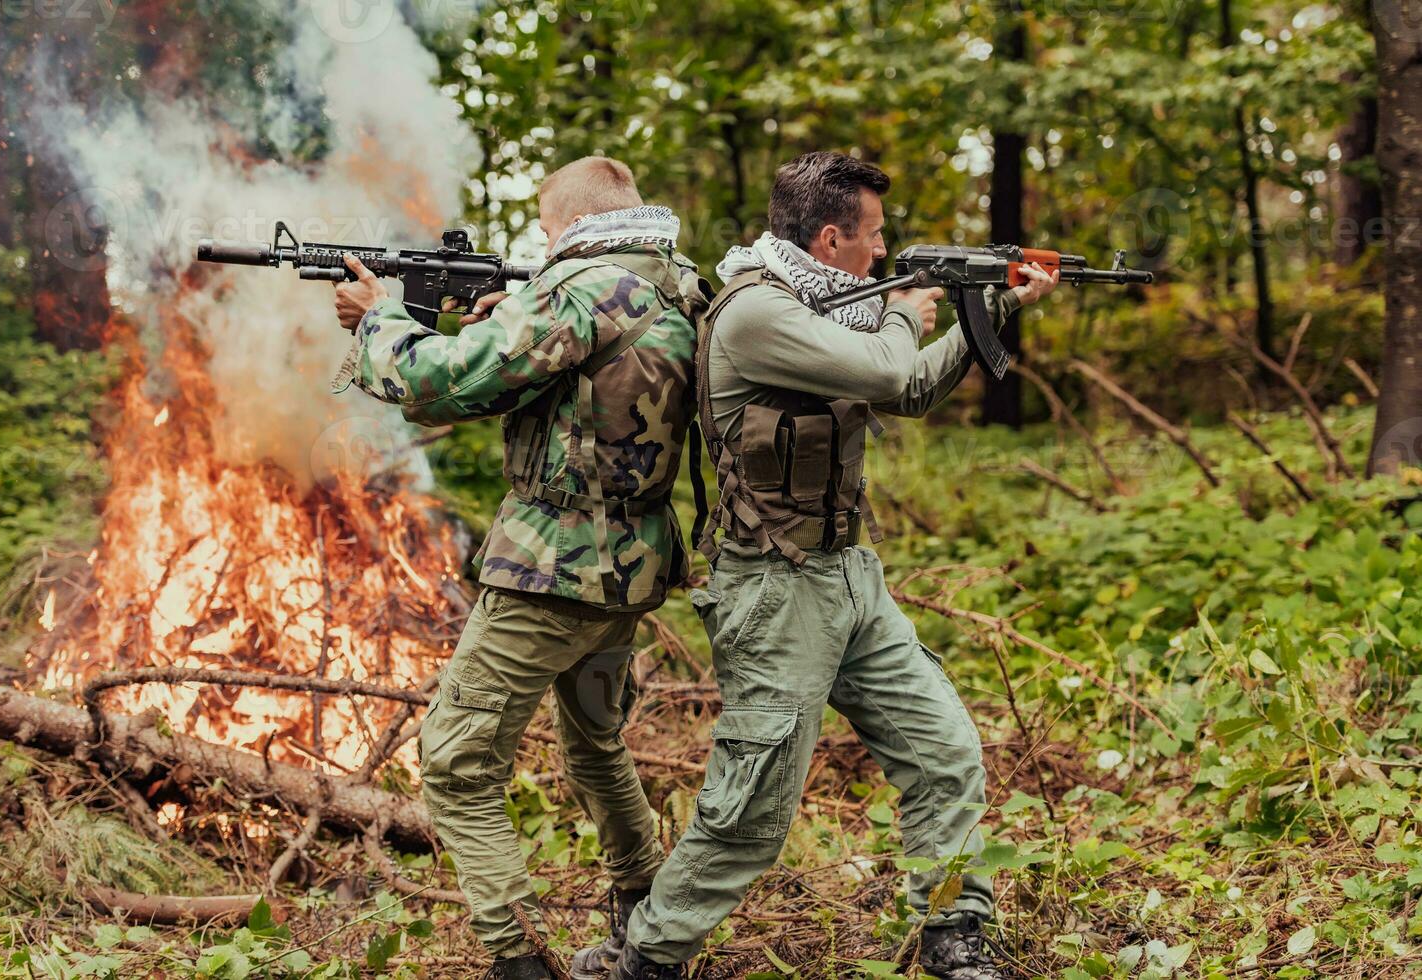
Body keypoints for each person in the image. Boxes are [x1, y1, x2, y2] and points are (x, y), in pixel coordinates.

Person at [586, 151, 1058, 980]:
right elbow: (885, 365)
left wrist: (996, 309)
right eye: (873, 238)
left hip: (848, 573)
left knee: (943, 749)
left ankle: (954, 930)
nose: (883, 254)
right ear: (831, 237)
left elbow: (904, 391)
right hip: (774, 586)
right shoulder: (756, 313)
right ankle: (649, 957)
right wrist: (911, 309)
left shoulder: (835, 306)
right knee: (753, 806)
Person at [331, 156, 707, 980]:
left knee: (458, 763)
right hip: (630, 573)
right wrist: (502, 317)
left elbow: (442, 379)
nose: (542, 246)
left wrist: (378, 320)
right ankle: (649, 933)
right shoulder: (674, 284)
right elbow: (578, 388)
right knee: (596, 746)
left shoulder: (580, 290)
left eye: (545, 233)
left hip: (552, 573)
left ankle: (519, 960)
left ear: (570, 225)